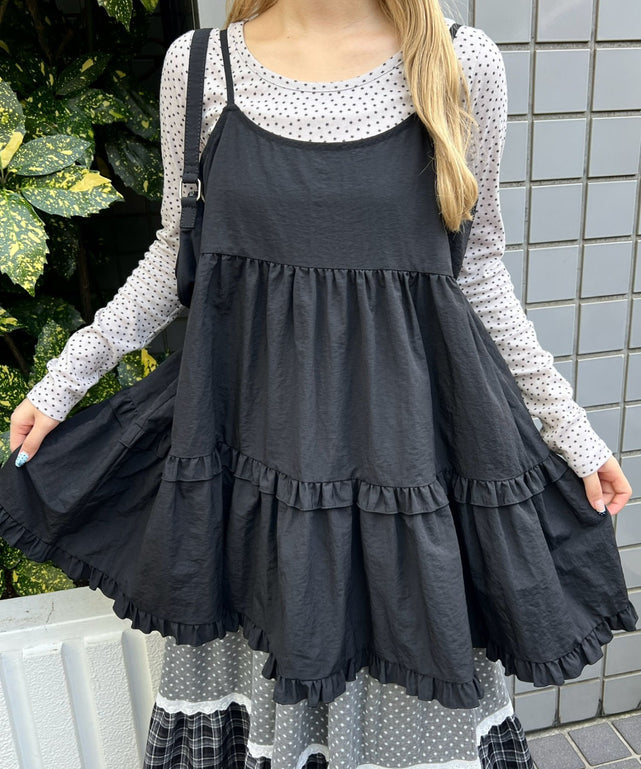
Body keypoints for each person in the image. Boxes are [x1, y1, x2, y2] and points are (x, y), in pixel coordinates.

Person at [2, 1, 637, 768]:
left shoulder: (460, 62)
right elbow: (176, 253)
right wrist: (63, 380)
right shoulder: (199, 67)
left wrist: (571, 431)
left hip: (406, 469)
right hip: (251, 470)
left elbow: (475, 268)